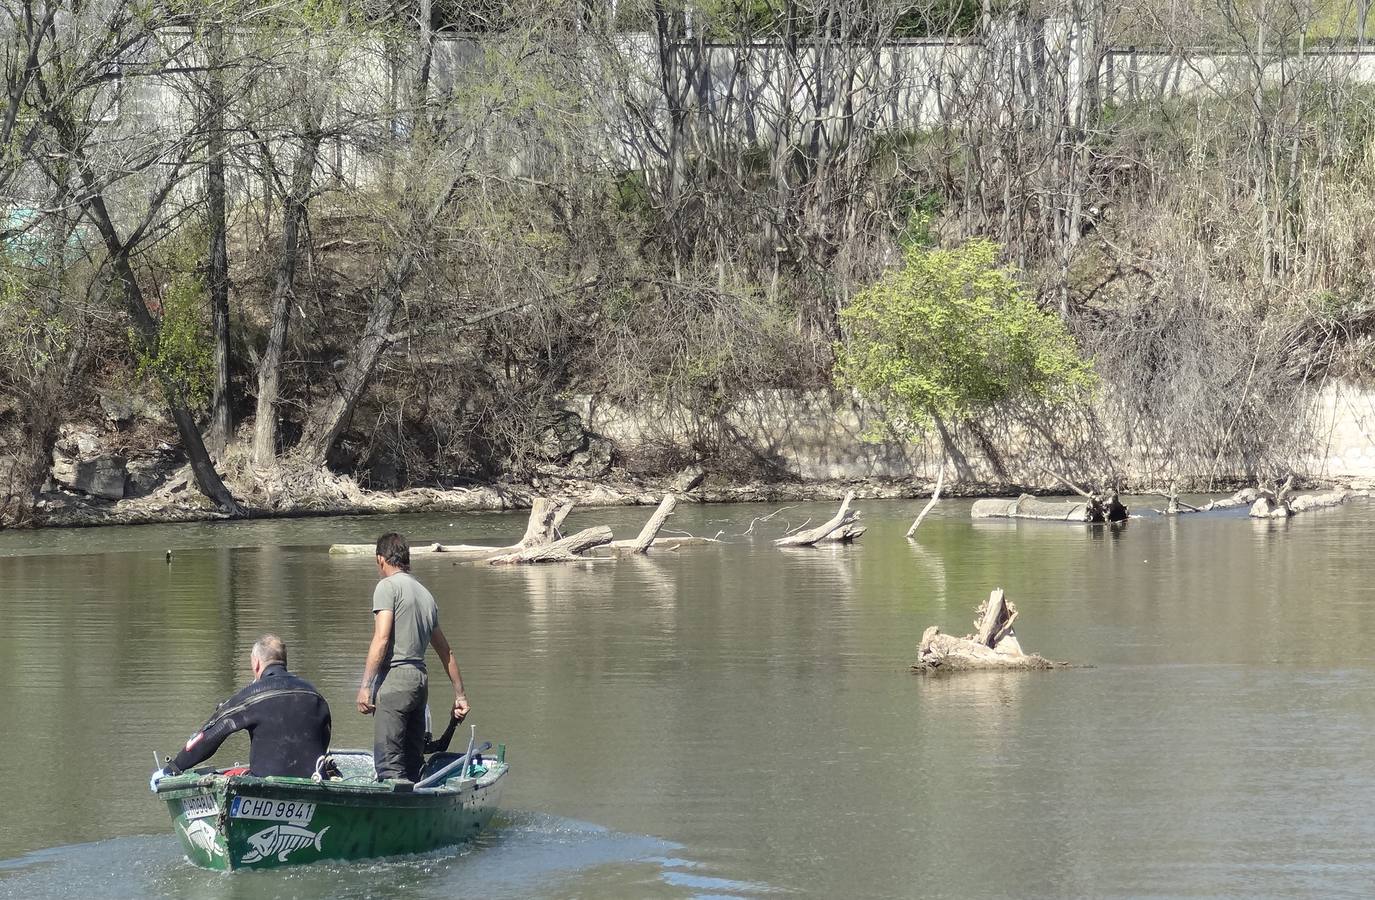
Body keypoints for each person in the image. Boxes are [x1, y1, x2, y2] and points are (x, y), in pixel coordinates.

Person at [356, 532, 470, 782]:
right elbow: (445, 651)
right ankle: (421, 809)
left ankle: (394, 816)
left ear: (381, 559)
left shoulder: (387, 587)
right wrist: (459, 696)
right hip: (420, 682)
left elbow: (382, 638)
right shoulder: (425, 594)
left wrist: (365, 686)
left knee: (389, 765)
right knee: (412, 762)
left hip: (395, 682)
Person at [166, 634, 332, 778]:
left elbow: (209, 736)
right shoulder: (315, 695)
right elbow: (324, 739)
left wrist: (173, 768)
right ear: (284, 661)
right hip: (314, 781)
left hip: (264, 787)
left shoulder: (252, 695)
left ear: (256, 663)